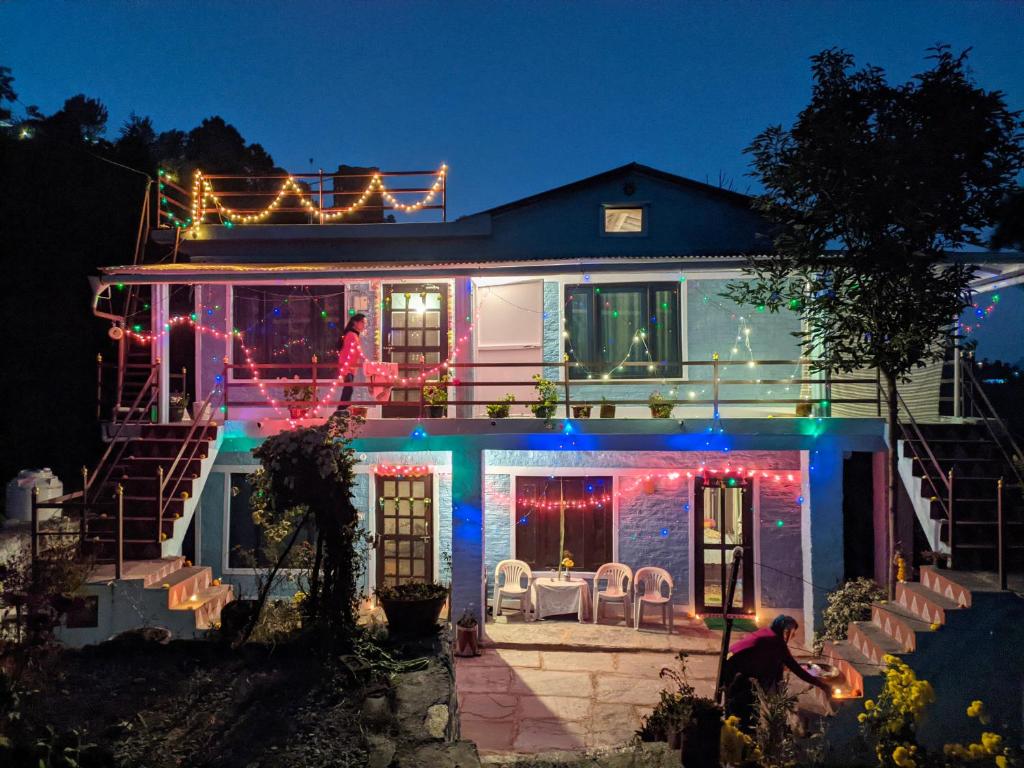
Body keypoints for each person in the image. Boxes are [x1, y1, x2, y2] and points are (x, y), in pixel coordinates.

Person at [722, 615, 832, 730]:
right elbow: (797, 669)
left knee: (735, 716)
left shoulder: (767, 632)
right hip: (740, 678)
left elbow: (771, 659)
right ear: (786, 630)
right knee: (744, 719)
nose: (791, 636)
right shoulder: (776, 642)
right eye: (791, 633)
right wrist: (822, 685)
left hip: (734, 672)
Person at [335, 313, 367, 412]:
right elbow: (357, 351)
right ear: (355, 323)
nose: (364, 325)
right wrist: (366, 360)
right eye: (362, 322)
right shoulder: (351, 335)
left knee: (348, 389)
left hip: (350, 367)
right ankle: (341, 411)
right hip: (346, 367)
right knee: (348, 389)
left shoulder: (353, 335)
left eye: (364, 322)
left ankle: (342, 410)